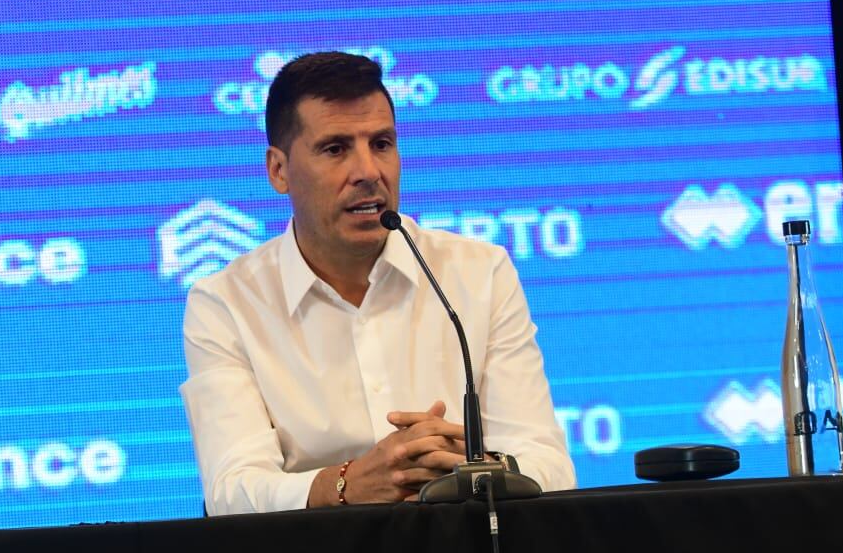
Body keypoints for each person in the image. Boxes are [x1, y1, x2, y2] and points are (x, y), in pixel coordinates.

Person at [180, 52, 575, 515]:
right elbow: (232, 492)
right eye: (335, 149)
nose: (369, 172)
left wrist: (474, 469)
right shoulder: (225, 304)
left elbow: (552, 468)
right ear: (279, 170)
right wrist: (347, 484)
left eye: (382, 143)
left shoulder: (478, 273)